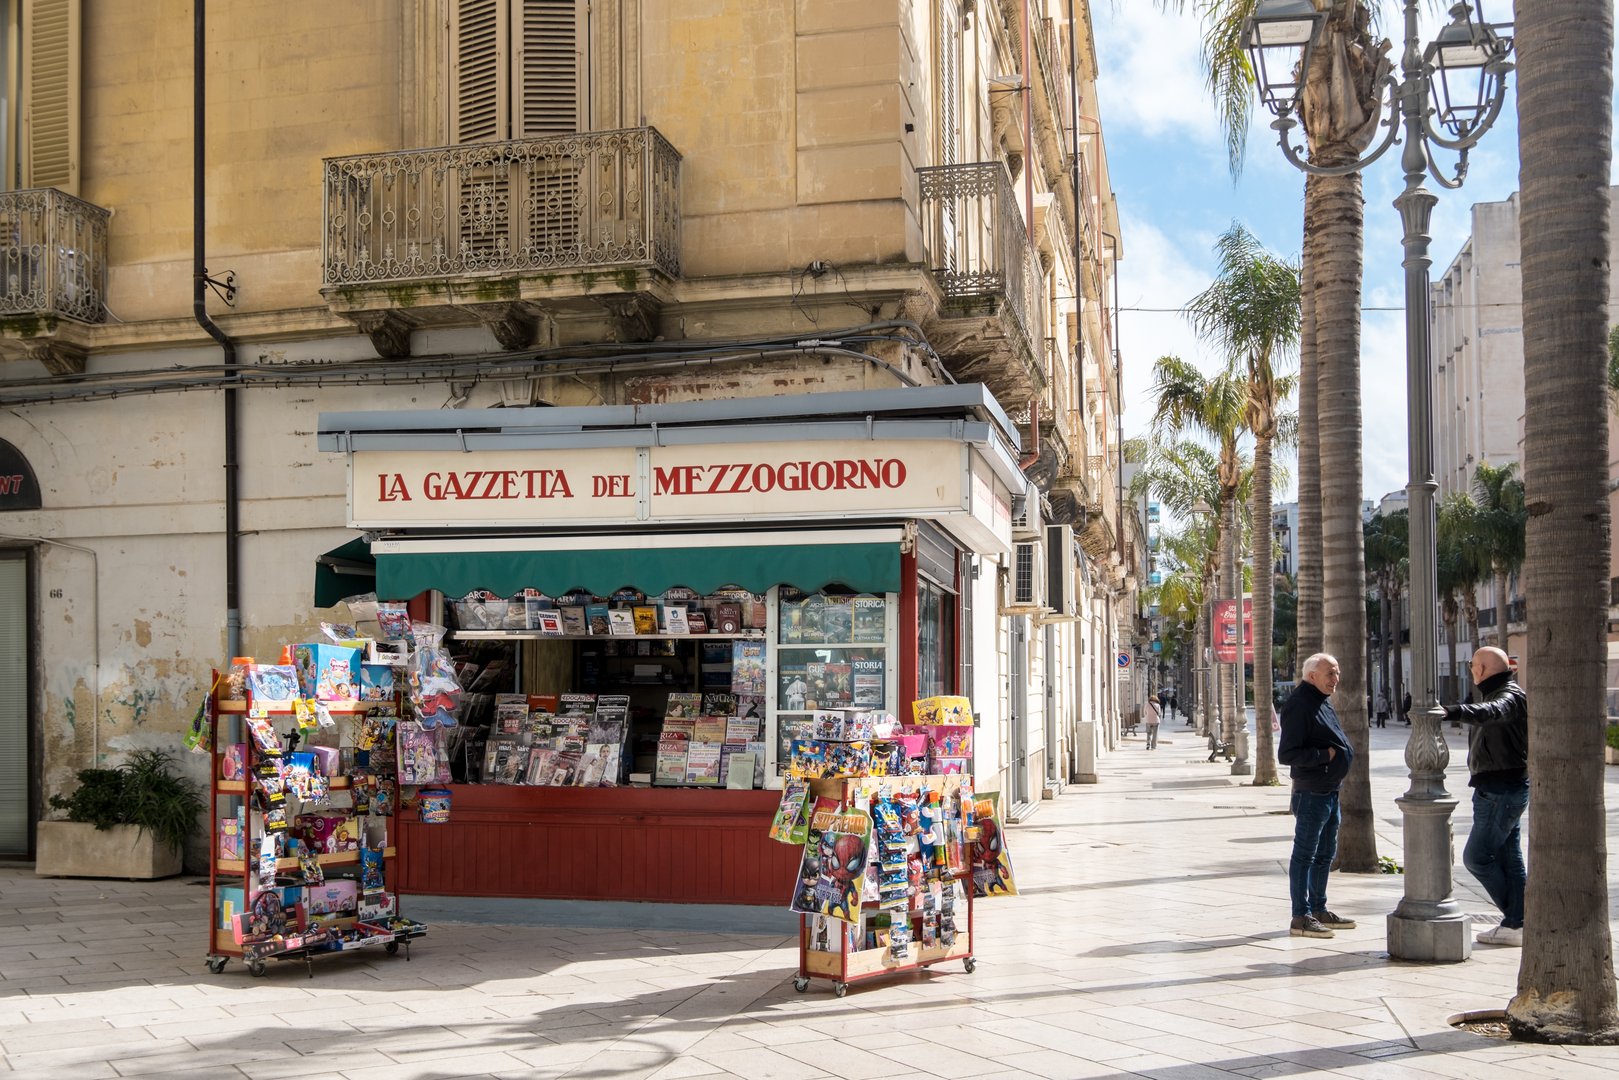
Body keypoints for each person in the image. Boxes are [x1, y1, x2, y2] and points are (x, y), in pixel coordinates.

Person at [1445, 646, 1528, 947]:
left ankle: (1519, 917)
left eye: (1471, 666)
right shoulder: (1501, 693)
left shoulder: (1508, 695)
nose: (1471, 671)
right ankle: (1518, 922)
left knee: (1477, 858)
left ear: (1479, 669)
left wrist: (1452, 711)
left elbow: (1492, 713)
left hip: (1501, 791)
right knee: (1509, 857)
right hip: (1500, 788)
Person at [1277, 652, 1355, 938]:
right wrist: (1325, 755)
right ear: (1312, 676)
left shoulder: (1321, 700)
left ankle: (1320, 909)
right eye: (1330, 673)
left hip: (1330, 791)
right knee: (1305, 855)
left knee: (1325, 854)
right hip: (1312, 792)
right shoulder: (1300, 704)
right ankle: (1301, 916)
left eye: (1336, 673)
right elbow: (1287, 753)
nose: (1336, 679)